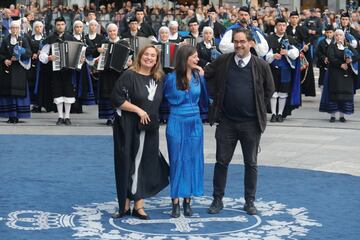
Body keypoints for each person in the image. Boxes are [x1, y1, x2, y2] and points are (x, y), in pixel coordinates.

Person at [205, 28, 275, 216]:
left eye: (242, 41)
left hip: (251, 124)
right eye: (236, 41)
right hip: (227, 122)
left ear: (250, 43)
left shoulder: (260, 65)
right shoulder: (223, 61)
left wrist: (258, 106)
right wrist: (215, 98)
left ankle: (249, 201)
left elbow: (269, 89)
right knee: (221, 162)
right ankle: (217, 199)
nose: (239, 45)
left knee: (251, 163)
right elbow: (206, 74)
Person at [111, 45, 169, 220]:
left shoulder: (159, 77)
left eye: (153, 56)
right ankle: (125, 205)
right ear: (140, 56)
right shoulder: (130, 75)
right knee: (129, 163)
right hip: (129, 127)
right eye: (147, 55)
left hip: (150, 128)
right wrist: (138, 110)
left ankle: (139, 205)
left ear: (157, 60)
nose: (149, 58)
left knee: (145, 164)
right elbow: (116, 99)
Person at [163, 45, 208, 218]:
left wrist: (203, 77)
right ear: (185, 58)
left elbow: (205, 99)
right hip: (176, 120)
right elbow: (163, 100)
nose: (197, 60)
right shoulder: (170, 78)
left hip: (195, 122)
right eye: (194, 57)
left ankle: (187, 201)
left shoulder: (198, 77)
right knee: (176, 160)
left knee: (192, 160)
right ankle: (175, 201)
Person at [39, 16, 77, 125]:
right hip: (55, 71)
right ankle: (60, 116)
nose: (60, 26)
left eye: (62, 24)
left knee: (68, 92)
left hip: (68, 70)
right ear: (55, 26)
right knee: (58, 92)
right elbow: (42, 54)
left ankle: (67, 117)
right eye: (58, 24)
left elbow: (79, 52)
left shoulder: (71, 38)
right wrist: (48, 57)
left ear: (65, 25)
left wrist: (80, 59)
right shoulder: (50, 39)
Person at [319, 29, 359, 122]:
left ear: (343, 37)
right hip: (335, 73)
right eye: (336, 35)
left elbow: (357, 55)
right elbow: (331, 57)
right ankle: (332, 115)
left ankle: (342, 116)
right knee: (334, 95)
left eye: (340, 35)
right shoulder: (331, 46)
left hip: (346, 74)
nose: (338, 37)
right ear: (334, 37)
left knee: (344, 96)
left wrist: (351, 59)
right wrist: (341, 64)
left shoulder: (348, 46)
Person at [266, 18, 300, 122]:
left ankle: (280, 114)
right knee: (273, 92)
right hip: (273, 69)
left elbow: (296, 54)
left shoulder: (290, 39)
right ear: (276, 26)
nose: (282, 27)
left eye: (284, 25)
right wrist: (272, 56)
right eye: (279, 25)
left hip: (286, 70)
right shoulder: (269, 39)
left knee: (283, 92)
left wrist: (287, 52)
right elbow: (265, 55)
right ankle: (273, 114)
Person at [97, 23, 131, 126]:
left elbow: (129, 57)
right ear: (108, 32)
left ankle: (119, 116)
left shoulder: (124, 43)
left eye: (114, 31)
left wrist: (129, 62)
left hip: (120, 73)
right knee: (108, 95)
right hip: (106, 73)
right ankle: (110, 117)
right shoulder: (104, 43)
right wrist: (98, 51)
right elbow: (96, 58)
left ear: (117, 32)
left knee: (119, 94)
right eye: (110, 31)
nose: (112, 33)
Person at [0, 20, 32, 123]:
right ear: (10, 29)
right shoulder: (5, 40)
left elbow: (29, 53)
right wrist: (5, 60)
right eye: (13, 28)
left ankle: (18, 115)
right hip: (8, 70)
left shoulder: (24, 39)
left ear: (19, 29)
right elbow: (1, 53)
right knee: (9, 93)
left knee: (18, 93)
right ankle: (11, 116)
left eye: (16, 28)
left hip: (19, 70)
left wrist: (21, 52)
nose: (15, 30)